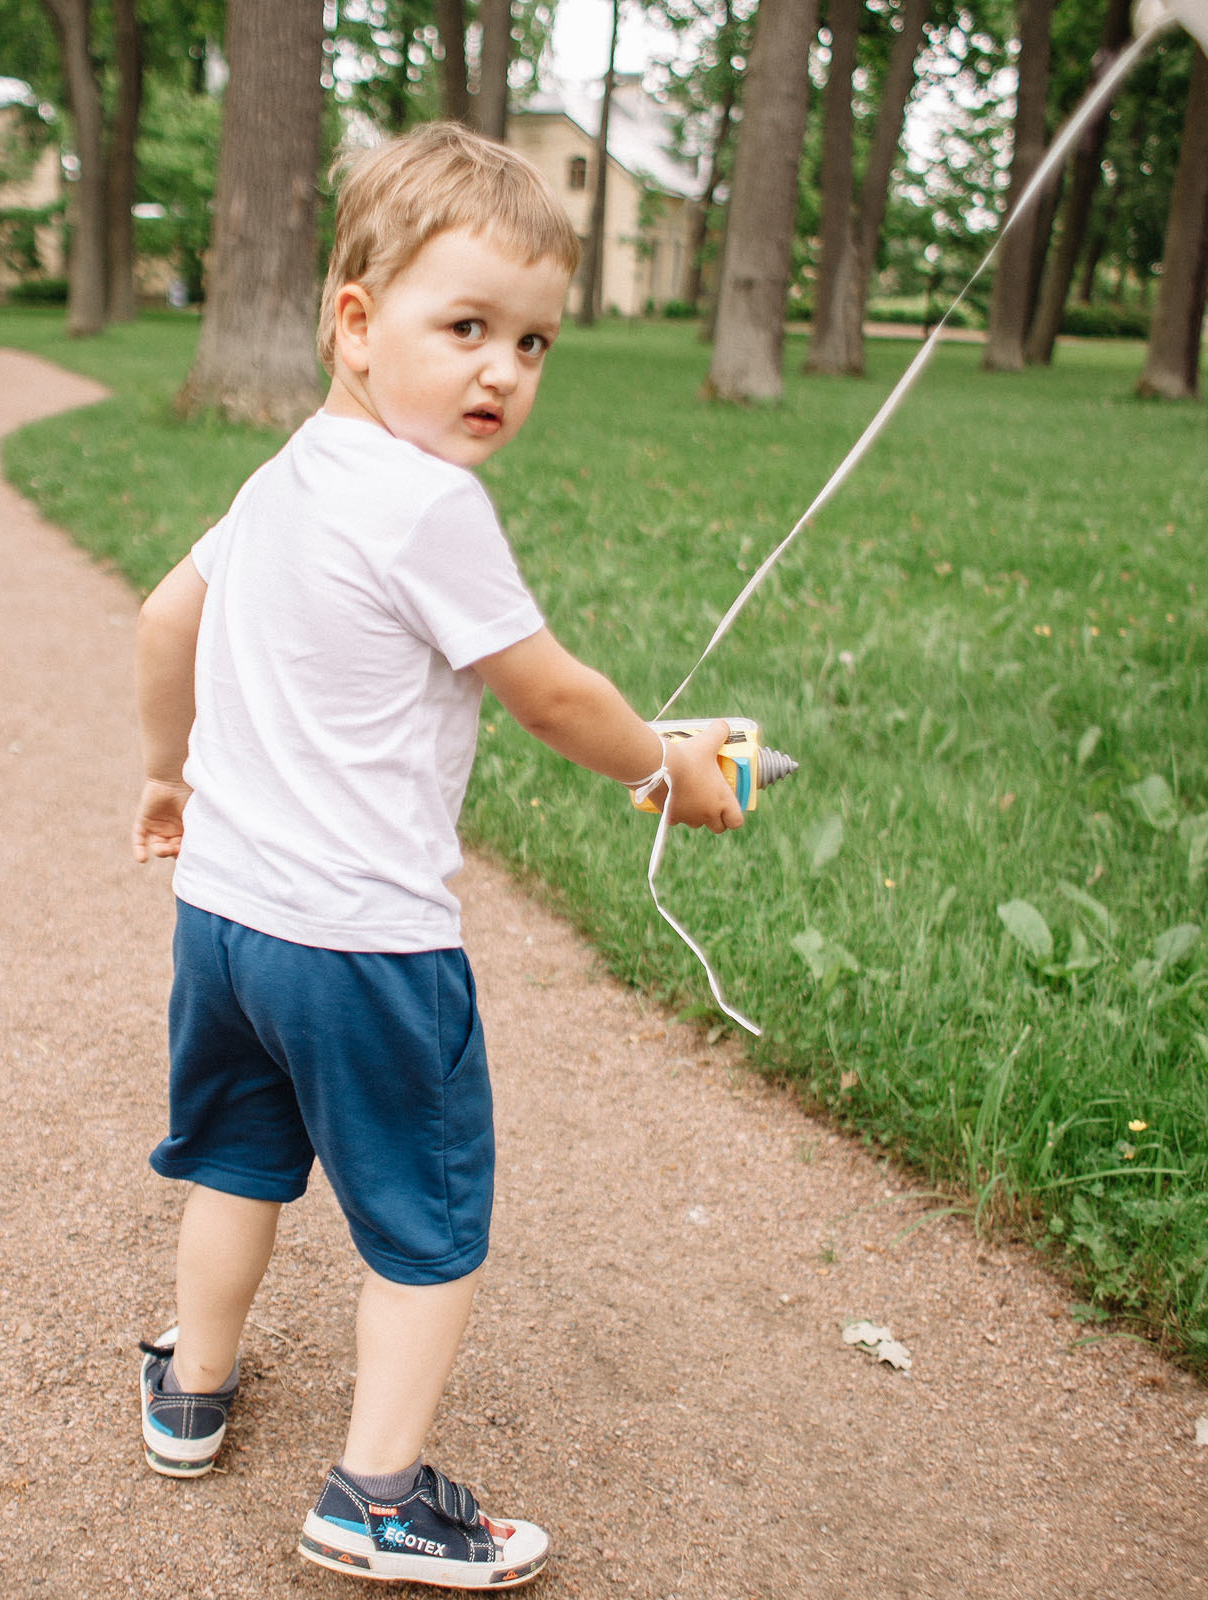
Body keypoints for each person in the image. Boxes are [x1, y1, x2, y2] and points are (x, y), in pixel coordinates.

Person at [129, 121, 743, 1590]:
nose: (502, 372)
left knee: (237, 1160)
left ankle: (192, 1390)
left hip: (225, 922)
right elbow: (551, 696)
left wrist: (165, 774)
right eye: (465, 327)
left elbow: (165, 615)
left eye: (533, 343)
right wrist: (670, 774)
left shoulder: (291, 470)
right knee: (428, 1226)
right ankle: (377, 1497)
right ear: (355, 323)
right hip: (364, 946)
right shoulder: (430, 505)